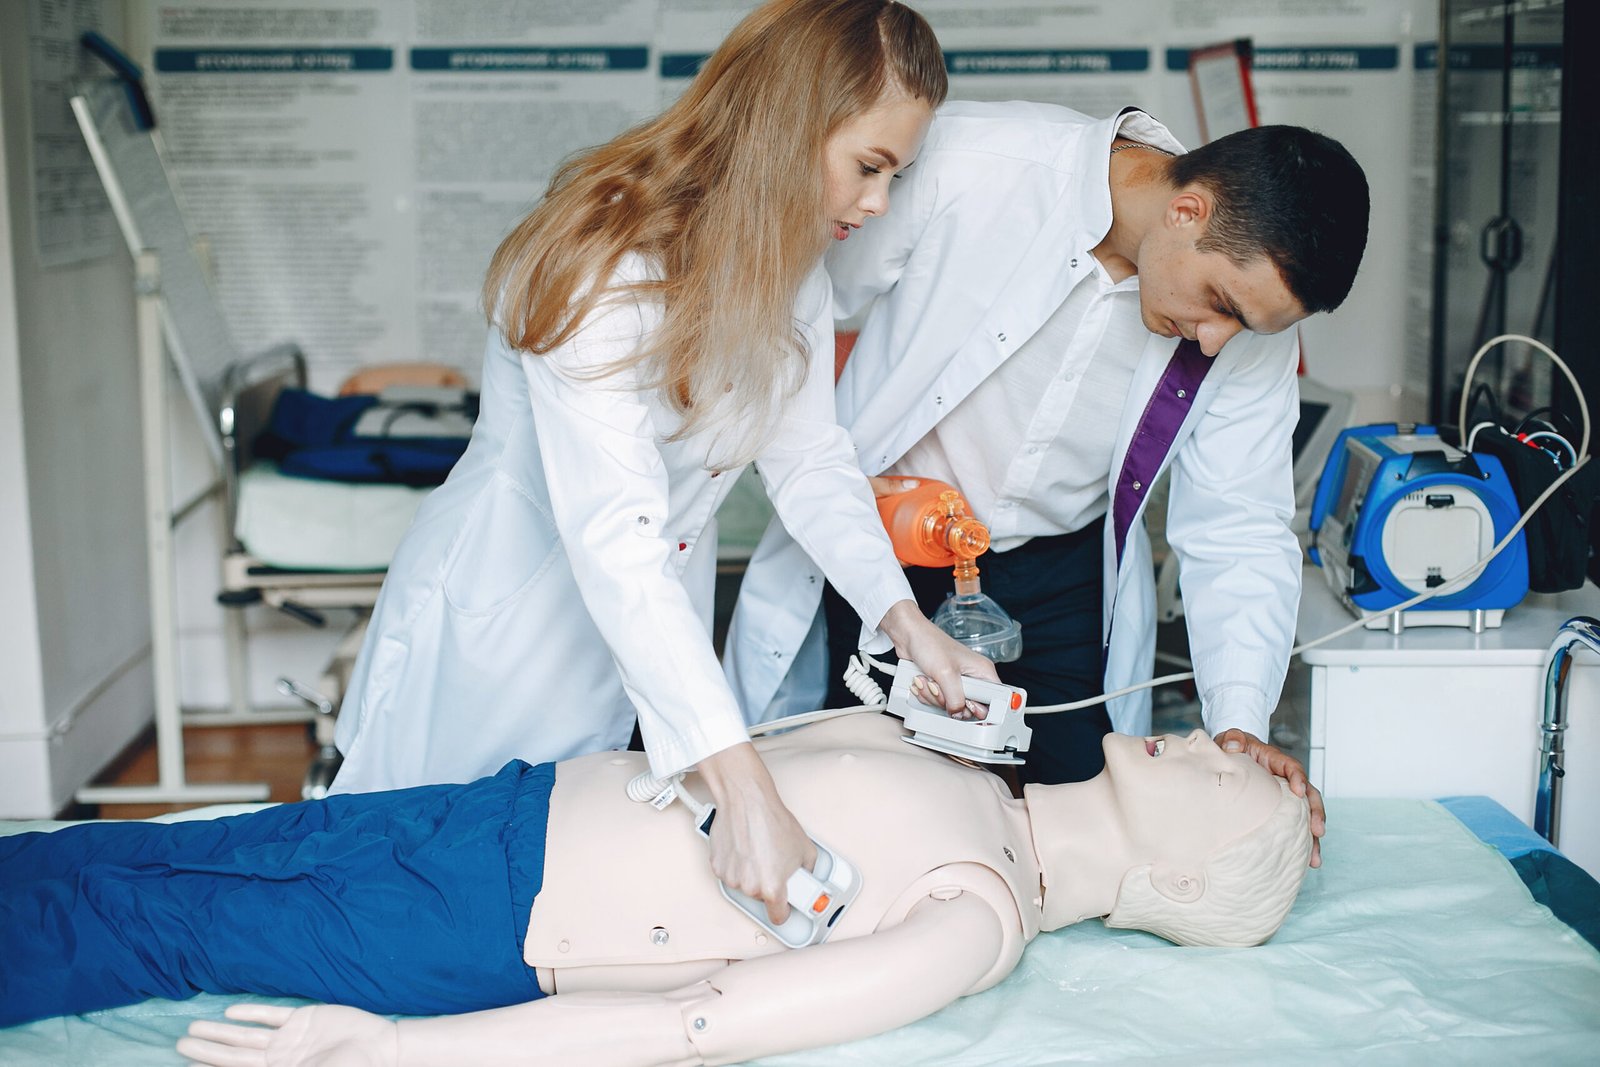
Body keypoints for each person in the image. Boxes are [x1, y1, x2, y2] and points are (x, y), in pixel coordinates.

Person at [331, 0, 997, 921]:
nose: (877, 203)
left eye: (897, 174)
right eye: (869, 166)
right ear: (789, 124)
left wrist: (903, 620)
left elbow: (808, 459)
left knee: (545, 884)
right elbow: (614, 537)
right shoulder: (601, 258)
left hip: (643, 628)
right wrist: (744, 784)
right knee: (399, 877)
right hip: (510, 617)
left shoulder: (790, 260)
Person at [727, 101, 1370, 861]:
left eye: (1244, 326)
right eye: (1221, 305)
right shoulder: (979, 166)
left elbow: (1237, 525)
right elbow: (803, 289)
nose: (1215, 339)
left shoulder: (1245, 320)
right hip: (887, 549)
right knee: (856, 814)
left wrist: (1239, 726)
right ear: (1187, 211)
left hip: (1060, 575)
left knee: (1072, 836)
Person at [0, 713, 1312, 1067]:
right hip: (498, 809)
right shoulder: (975, 765)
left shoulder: (972, 913)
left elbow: (696, 1020)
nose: (1216, 738)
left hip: (482, 919)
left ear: (1184, 873)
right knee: (123, 857)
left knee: (132, 920)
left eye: (1232, 777)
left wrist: (397, 1048)